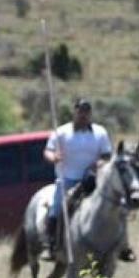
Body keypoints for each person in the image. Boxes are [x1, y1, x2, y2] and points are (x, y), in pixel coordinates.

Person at [43, 98, 112, 260]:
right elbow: (47, 151)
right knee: (56, 209)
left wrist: (99, 164)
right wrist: (54, 157)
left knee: (114, 206)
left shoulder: (100, 132)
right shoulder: (61, 132)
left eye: (87, 111)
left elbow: (107, 154)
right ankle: (51, 244)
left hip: (93, 180)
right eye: (81, 111)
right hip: (67, 179)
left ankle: (120, 245)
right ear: (75, 111)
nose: (83, 115)